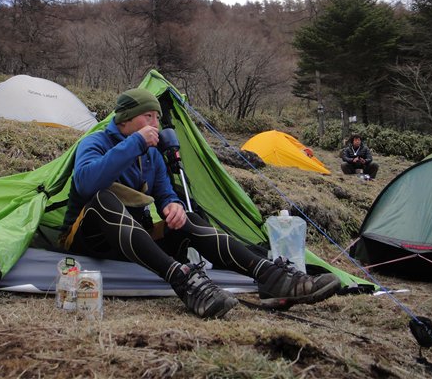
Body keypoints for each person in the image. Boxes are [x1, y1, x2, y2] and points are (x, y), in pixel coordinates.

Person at [61, 88, 341, 319]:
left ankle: (270, 276)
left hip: (135, 241)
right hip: (89, 239)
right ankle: (184, 281)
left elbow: (164, 193)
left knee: (188, 217)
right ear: (125, 119)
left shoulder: (152, 155)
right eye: (148, 116)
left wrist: (172, 205)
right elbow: (86, 183)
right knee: (103, 199)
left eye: (157, 117)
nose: (156, 124)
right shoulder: (95, 142)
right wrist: (134, 143)